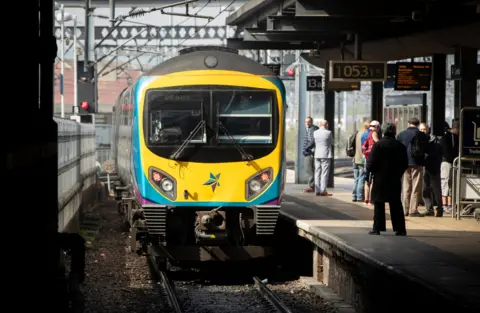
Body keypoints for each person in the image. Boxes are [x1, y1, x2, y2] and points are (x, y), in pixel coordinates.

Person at [365, 123, 408, 236]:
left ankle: (377, 228)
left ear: (383, 132)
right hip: (394, 179)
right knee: (396, 204)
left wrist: (368, 175)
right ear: (394, 132)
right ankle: (400, 229)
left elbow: (371, 162)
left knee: (379, 203)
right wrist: (398, 174)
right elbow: (405, 164)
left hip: (380, 178)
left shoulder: (378, 145)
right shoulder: (400, 146)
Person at [396, 117, 429, 217]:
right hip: (417, 163)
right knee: (416, 187)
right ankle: (413, 210)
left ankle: (405, 209)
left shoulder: (401, 134)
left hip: (405, 164)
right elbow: (426, 149)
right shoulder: (422, 135)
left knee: (406, 186)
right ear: (418, 124)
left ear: (408, 123)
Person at [419, 123, 444, 217]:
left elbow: (438, 153)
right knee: (425, 189)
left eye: (424, 129)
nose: (422, 131)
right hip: (424, 167)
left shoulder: (435, 140)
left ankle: (440, 208)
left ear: (428, 129)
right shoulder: (419, 140)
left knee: (436, 189)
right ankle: (429, 209)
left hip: (434, 167)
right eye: (421, 129)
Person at [305, 120, 333, 196]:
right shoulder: (329, 133)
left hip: (317, 155)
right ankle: (323, 190)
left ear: (320, 125)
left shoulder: (315, 132)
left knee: (317, 172)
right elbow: (331, 142)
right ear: (326, 125)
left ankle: (317, 190)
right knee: (324, 173)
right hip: (326, 155)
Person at [439, 120, 459, 213]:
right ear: (455, 128)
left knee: (449, 183)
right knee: (447, 182)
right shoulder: (447, 138)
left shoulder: (450, 137)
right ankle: (445, 204)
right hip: (448, 162)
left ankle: (448, 204)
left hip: (449, 162)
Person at [361, 120, 381, 205]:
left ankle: (366, 199)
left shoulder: (364, 133)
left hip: (365, 157)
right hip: (373, 158)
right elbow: (378, 143)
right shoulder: (373, 133)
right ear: (376, 127)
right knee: (373, 179)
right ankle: (371, 199)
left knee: (367, 179)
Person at [352, 121, 370, 202]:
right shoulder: (366, 134)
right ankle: (359, 196)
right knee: (361, 178)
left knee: (356, 178)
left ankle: (354, 196)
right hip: (361, 160)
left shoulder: (358, 133)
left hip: (355, 158)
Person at [302, 117, 319, 193]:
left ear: (312, 122)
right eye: (306, 122)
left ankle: (312, 187)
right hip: (310, 152)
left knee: (309, 169)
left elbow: (312, 141)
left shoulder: (312, 129)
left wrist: (306, 148)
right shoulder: (311, 129)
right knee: (310, 170)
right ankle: (313, 186)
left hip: (309, 153)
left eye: (309, 122)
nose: (307, 123)